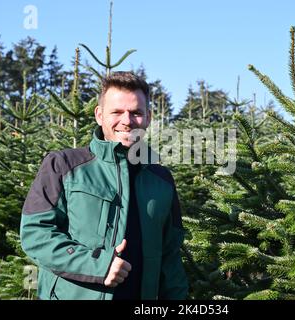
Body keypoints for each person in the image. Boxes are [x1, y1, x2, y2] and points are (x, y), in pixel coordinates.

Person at [20, 71, 188, 300]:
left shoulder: (162, 179)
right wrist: (97, 266)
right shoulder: (63, 165)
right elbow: (36, 234)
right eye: (117, 112)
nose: (127, 121)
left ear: (148, 117)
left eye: (136, 113)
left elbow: (170, 256)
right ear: (99, 115)